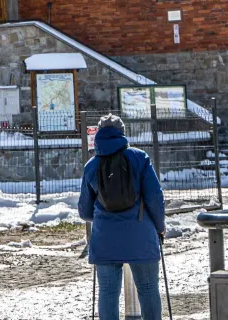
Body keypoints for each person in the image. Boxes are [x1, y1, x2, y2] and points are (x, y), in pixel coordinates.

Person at [78, 114, 166, 320]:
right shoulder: (139, 158)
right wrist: (160, 226)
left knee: (108, 292)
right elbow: (155, 198)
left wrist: (101, 218)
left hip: (105, 239)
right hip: (140, 235)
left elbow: (84, 211)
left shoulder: (91, 165)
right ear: (122, 133)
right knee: (148, 288)